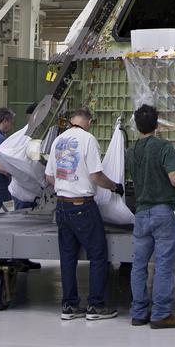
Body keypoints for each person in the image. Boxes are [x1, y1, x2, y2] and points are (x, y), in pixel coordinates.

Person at [45, 107, 122, 321]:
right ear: (88, 121)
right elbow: (96, 175)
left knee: (68, 257)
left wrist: (66, 184)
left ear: (71, 120)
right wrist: (114, 187)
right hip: (83, 206)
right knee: (98, 255)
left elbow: (49, 176)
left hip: (62, 205)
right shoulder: (88, 139)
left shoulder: (58, 140)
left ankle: (69, 306)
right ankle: (95, 306)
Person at [126, 103, 175, 329]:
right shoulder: (164, 147)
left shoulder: (131, 151)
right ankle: (161, 314)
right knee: (163, 264)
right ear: (157, 124)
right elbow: (174, 178)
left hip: (141, 213)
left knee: (139, 264)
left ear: (136, 126)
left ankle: (138, 312)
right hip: (164, 212)